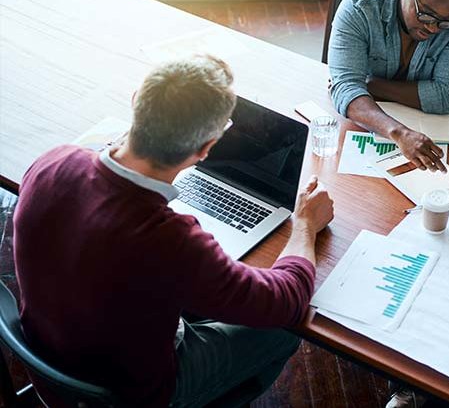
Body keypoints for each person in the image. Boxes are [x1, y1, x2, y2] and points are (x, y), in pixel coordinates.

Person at [12, 55, 334, 407]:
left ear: (136, 101)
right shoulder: (170, 241)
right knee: (284, 330)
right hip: (127, 396)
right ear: (208, 148)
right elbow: (284, 300)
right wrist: (304, 225)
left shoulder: (53, 162)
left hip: (48, 368)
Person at [328, 0, 449, 173]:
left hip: (413, 129)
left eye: (445, 22)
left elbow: (446, 96)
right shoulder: (359, 7)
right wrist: (399, 133)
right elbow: (346, 91)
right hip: (360, 132)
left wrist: (370, 85)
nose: (432, 27)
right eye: (425, 14)